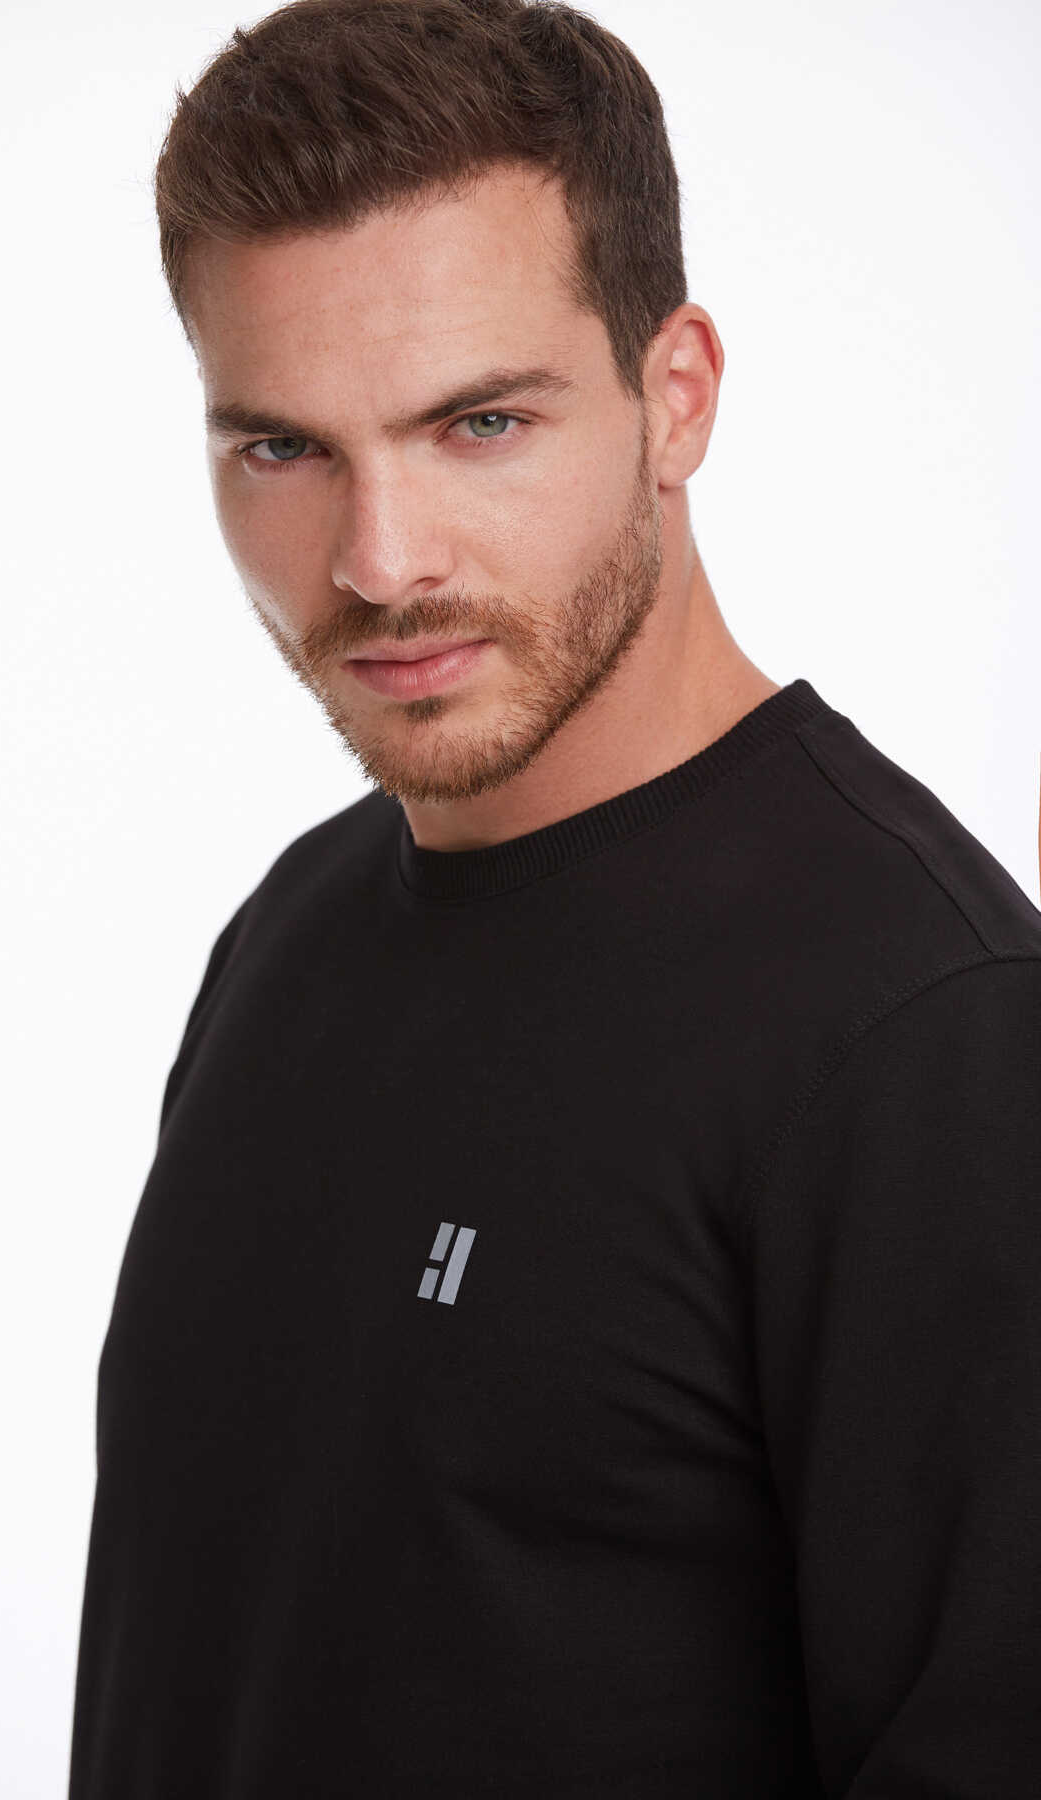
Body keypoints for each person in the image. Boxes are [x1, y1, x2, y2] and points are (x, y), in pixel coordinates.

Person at [67, 2, 1041, 1793]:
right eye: (284, 449)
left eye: (482, 423)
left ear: (678, 396)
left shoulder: (929, 1039)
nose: (380, 562)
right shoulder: (292, 933)